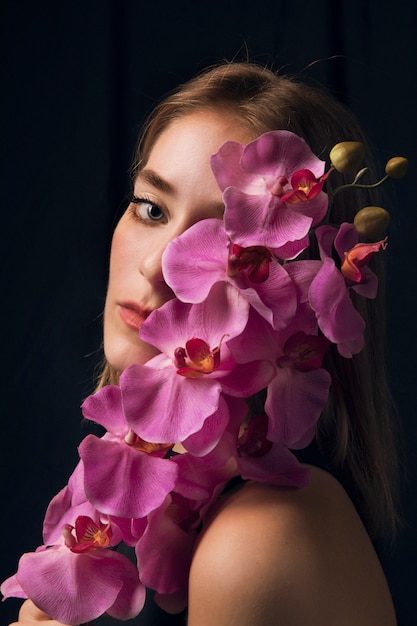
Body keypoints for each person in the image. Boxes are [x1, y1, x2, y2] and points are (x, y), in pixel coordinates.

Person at [5, 61, 402, 625]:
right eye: (151, 208)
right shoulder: (207, 500)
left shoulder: (254, 540)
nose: (156, 265)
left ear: (300, 300)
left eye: (229, 245)